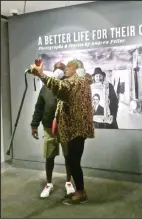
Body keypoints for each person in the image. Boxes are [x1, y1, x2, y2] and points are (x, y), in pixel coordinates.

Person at [30, 59, 94, 205]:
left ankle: (79, 191)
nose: (64, 70)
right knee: (66, 159)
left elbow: (59, 86)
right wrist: (35, 124)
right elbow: (41, 106)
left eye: (67, 68)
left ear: (75, 69)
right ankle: (73, 189)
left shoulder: (74, 82)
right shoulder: (80, 82)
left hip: (74, 130)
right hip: (68, 129)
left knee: (73, 161)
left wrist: (41, 75)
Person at [30, 62, 75, 198]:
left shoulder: (68, 87)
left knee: (69, 156)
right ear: (53, 70)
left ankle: (68, 182)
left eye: (62, 68)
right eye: (57, 68)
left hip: (65, 128)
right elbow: (39, 108)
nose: (59, 70)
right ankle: (49, 183)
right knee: (49, 156)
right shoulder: (45, 88)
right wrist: (34, 125)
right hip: (49, 128)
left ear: (65, 70)